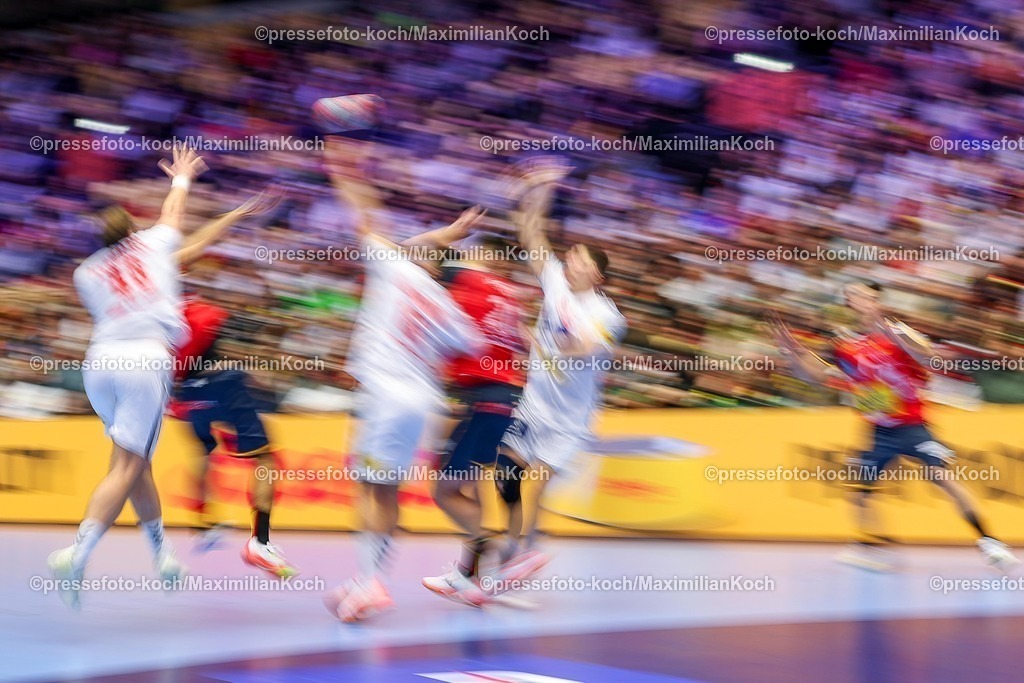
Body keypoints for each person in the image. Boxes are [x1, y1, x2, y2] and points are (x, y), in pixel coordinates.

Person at [321, 139, 484, 622]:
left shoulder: (393, 267)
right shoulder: (448, 304)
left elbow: (368, 217)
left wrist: (344, 167)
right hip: (422, 402)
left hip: (385, 396)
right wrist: (448, 237)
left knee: (369, 489)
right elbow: (472, 345)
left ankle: (371, 582)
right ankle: (369, 577)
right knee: (385, 488)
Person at [48, 146, 208, 609]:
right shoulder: (157, 242)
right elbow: (173, 212)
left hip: (99, 363)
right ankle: (77, 552)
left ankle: (162, 553)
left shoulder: (84, 272)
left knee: (136, 463)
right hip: (144, 361)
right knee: (125, 466)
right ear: (132, 225)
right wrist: (181, 177)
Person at [768, 281, 1018, 572]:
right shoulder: (845, 345)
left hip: (913, 425)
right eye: (853, 295)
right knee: (861, 493)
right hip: (879, 431)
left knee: (942, 476)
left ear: (876, 301)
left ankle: (990, 542)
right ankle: (871, 546)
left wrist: (890, 330)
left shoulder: (897, 332)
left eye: (865, 295)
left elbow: (929, 358)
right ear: (848, 304)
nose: (859, 298)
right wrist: (792, 353)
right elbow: (815, 377)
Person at [492, 158, 627, 589]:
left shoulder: (606, 314)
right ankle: (515, 550)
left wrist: (552, 337)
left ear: (596, 273)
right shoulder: (555, 282)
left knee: (538, 486)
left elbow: (583, 347)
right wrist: (541, 188)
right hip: (535, 404)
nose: (569, 258)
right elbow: (532, 233)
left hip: (570, 419)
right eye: (569, 254)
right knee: (506, 474)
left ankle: (527, 551)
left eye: (578, 257)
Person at [421, 234, 529, 606]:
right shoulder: (509, 293)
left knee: (445, 493)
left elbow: (421, 258)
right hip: (502, 400)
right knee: (469, 490)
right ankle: (466, 575)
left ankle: (505, 558)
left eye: (471, 249)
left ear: (483, 255)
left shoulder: (466, 276)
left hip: (480, 399)